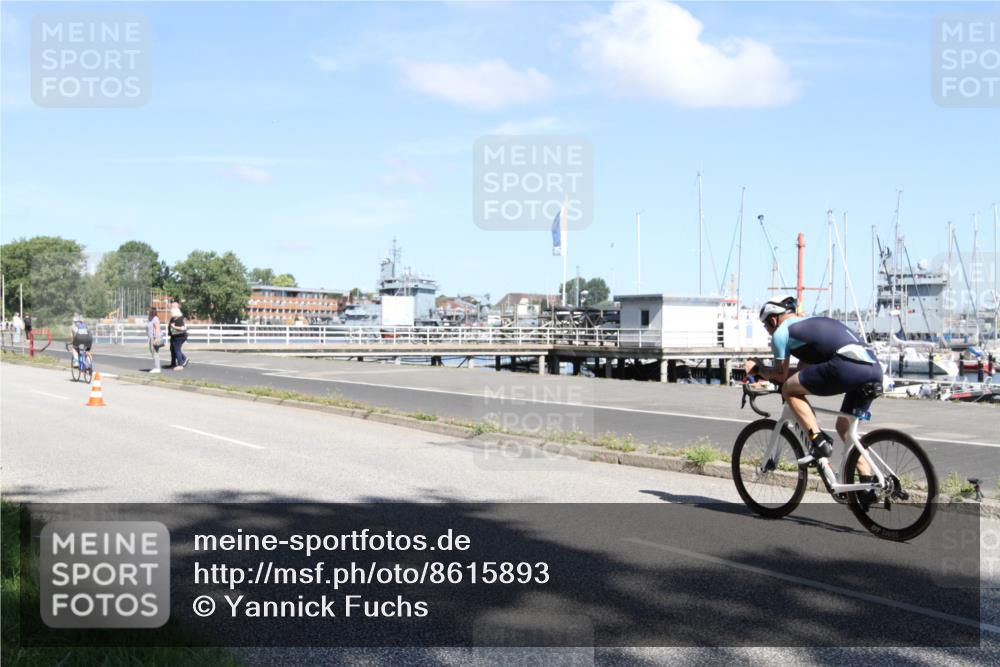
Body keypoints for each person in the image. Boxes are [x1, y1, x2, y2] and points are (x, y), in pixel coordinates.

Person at [744, 295, 882, 477]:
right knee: (845, 427)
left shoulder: (781, 332)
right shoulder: (810, 328)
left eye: (766, 326)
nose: (768, 331)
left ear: (773, 319)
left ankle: (819, 441)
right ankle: (869, 482)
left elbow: (781, 375)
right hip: (874, 368)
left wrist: (757, 369)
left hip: (847, 366)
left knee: (788, 390)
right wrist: (771, 375)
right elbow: (798, 375)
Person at [168, 304, 188, 370]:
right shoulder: (174, 318)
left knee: (177, 350)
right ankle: (179, 361)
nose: (170, 313)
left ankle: (180, 365)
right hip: (175, 336)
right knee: (174, 349)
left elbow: (183, 328)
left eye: (171, 312)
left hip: (180, 336)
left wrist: (174, 326)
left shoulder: (180, 319)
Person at [147, 307, 163, 373]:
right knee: (152, 351)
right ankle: (156, 367)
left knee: (155, 352)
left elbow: (157, 329)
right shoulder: (150, 319)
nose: (147, 312)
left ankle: (157, 368)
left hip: (155, 337)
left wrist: (156, 338)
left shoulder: (155, 319)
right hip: (151, 337)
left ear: (151, 311)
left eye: (148, 311)